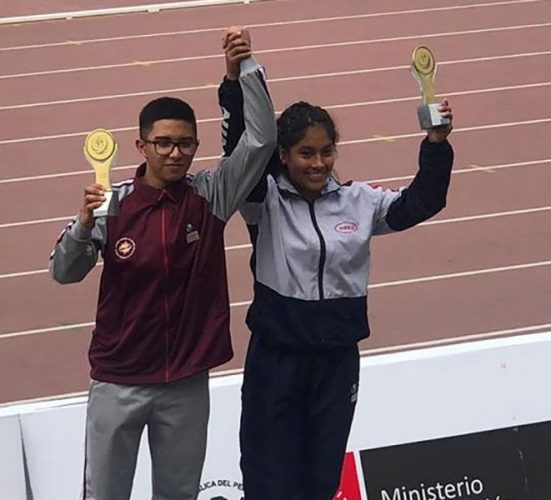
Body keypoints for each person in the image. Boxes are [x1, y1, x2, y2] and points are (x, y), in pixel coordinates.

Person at [48, 27, 276, 500]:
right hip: (118, 380)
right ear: (141, 147)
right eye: (164, 143)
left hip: (186, 382)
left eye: (186, 144)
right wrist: (82, 223)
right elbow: (64, 272)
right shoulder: (115, 204)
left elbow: (260, 141)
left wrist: (244, 69)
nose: (175, 153)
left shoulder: (210, 196)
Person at [218, 79, 454, 498]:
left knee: (321, 479)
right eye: (305, 153)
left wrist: (436, 143)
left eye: (326, 151)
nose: (318, 163)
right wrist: (239, 83)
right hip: (277, 362)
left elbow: (423, 201)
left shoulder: (358, 201)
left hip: (336, 362)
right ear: (283, 156)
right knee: (267, 476)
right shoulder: (262, 203)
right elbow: (243, 149)